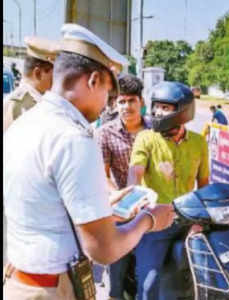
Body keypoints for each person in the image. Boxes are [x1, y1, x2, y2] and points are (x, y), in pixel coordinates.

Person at [3, 23, 175, 300]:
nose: (107, 104)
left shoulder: (26, 124)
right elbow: (103, 249)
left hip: (21, 281)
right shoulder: (74, 138)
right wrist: (149, 219)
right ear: (94, 80)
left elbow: (42, 202)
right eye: (109, 94)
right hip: (51, 290)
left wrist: (102, 205)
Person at [128, 81, 210, 300]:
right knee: (148, 284)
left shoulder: (199, 143)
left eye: (165, 107)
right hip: (153, 223)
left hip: (186, 220)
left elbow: (204, 185)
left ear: (183, 111)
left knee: (193, 281)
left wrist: (200, 222)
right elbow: (135, 171)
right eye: (156, 106)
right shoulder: (146, 138)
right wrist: (132, 196)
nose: (157, 112)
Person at [96, 73, 149, 300]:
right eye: (121, 101)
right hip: (121, 211)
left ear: (141, 102)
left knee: (149, 272)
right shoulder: (105, 133)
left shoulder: (155, 131)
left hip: (151, 208)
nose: (126, 106)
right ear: (115, 103)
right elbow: (102, 175)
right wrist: (120, 196)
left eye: (131, 101)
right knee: (117, 270)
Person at [3, 36, 59, 132]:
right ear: (38, 73)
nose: (56, 80)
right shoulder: (19, 105)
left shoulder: (42, 100)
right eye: (53, 75)